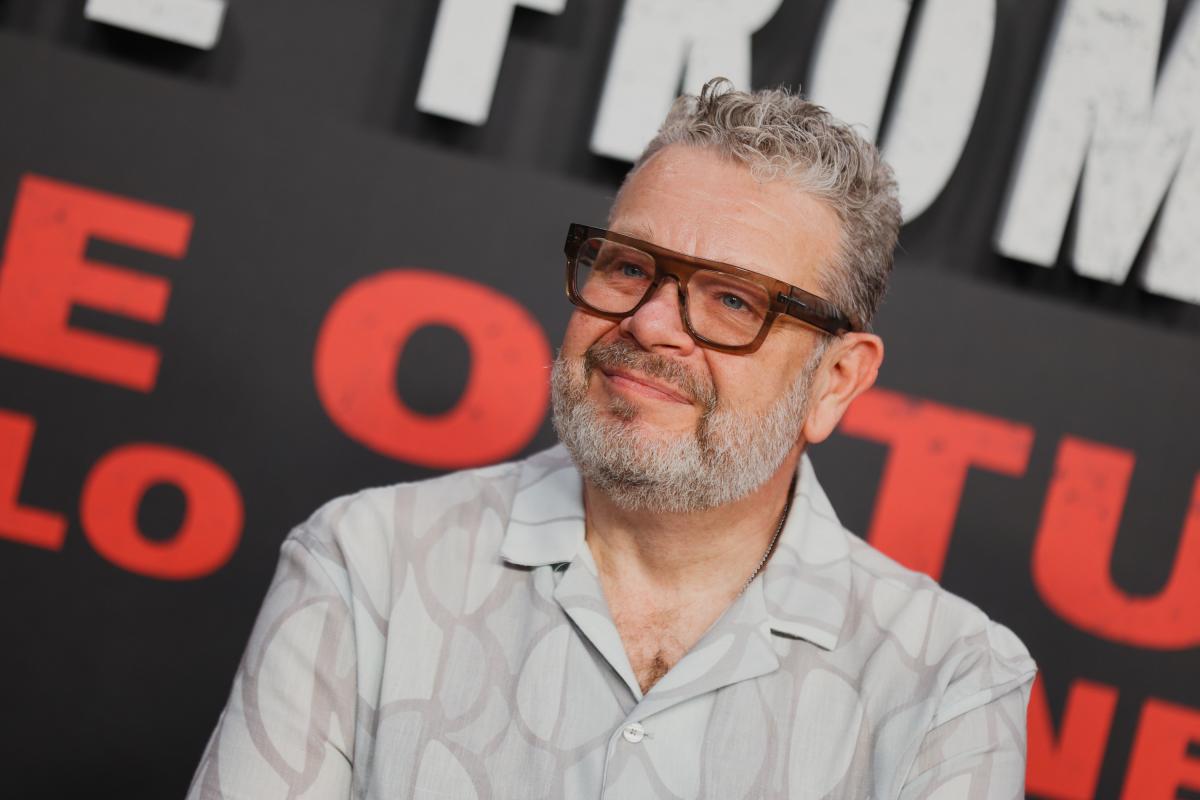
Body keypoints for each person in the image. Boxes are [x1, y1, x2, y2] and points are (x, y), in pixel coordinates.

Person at [186, 78, 1036, 799]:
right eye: (629, 266)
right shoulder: (367, 564)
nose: (651, 324)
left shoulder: (948, 682)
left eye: (732, 301)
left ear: (836, 380)